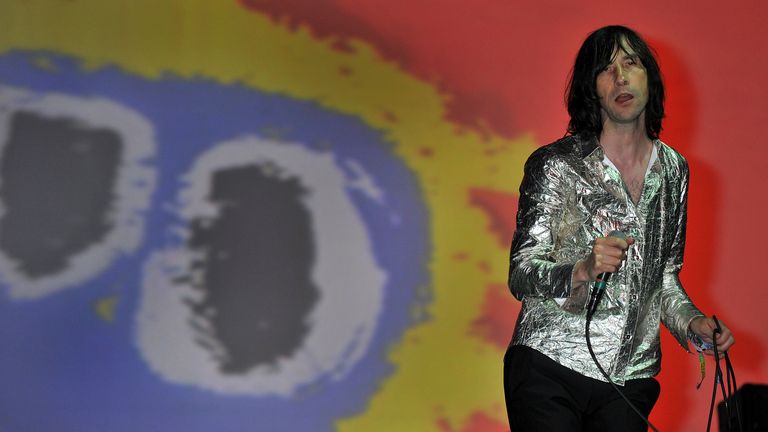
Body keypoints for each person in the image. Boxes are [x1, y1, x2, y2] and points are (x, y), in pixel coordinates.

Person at [503, 25, 735, 431]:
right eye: (606, 69)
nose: (621, 77)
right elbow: (522, 272)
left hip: (631, 377)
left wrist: (694, 325)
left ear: (650, 78)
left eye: (631, 63)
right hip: (549, 366)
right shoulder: (556, 164)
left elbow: (662, 279)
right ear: (592, 88)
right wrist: (581, 269)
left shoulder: (674, 170)